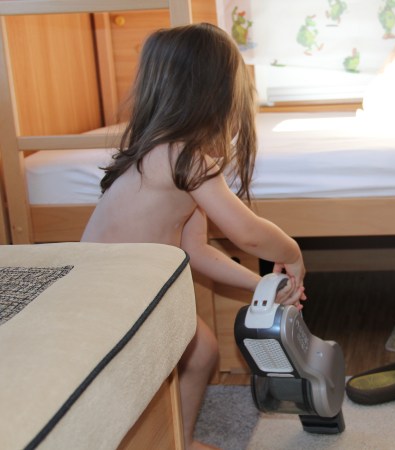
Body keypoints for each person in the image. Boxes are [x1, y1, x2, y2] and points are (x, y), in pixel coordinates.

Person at [81, 23, 306, 450]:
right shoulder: (182, 158)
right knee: (140, 378)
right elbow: (248, 234)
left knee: (202, 352)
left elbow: (196, 250)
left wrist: (262, 286)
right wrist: (292, 252)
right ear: (216, 97)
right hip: (106, 296)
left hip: (136, 293)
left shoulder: (172, 160)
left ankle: (179, 442)